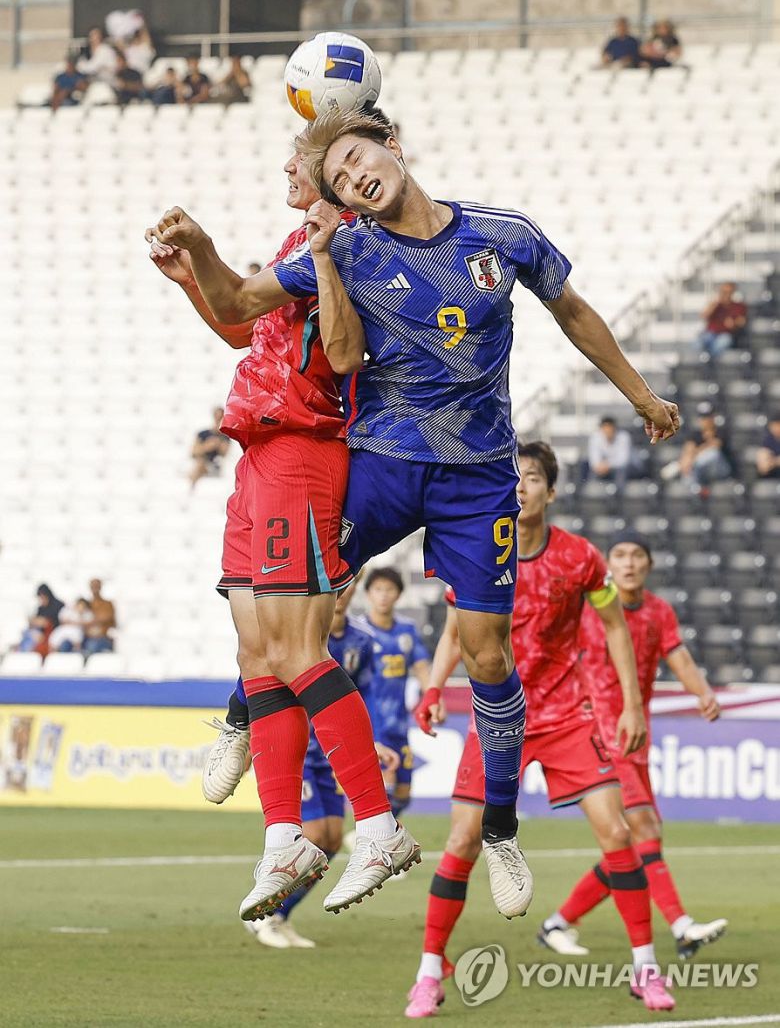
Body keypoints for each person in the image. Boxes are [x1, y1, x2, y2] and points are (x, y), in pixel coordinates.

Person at [147, 106, 679, 920]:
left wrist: (641, 396)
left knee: (487, 654)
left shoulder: (502, 235)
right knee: (297, 601)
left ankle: (499, 829)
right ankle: (243, 713)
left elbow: (572, 311)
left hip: (479, 480)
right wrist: (200, 253)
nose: (355, 178)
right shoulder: (348, 247)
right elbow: (242, 302)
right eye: (339, 179)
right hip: (382, 464)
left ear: (391, 147)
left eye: (359, 159)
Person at [146, 138, 419, 925]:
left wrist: (205, 248)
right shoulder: (298, 243)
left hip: (302, 450)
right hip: (259, 452)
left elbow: (339, 351)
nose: (287, 170)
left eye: (299, 159)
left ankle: (378, 825)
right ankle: (283, 837)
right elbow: (249, 329)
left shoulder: (348, 244)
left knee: (299, 652)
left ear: (331, 172)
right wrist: (194, 282)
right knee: (257, 655)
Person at [408, 442, 674, 1016]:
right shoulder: (476, 548)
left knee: (618, 833)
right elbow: (454, 632)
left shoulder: (581, 558)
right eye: (513, 477)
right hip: (494, 717)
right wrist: (433, 689)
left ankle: (647, 968)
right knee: (462, 841)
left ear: (550, 492)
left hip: (564, 715)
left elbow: (615, 626)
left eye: (531, 478)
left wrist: (631, 705)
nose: (520, 486)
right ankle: (429, 971)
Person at [552, 532, 727, 960]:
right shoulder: (589, 607)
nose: (629, 563)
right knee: (644, 830)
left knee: (631, 844)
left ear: (649, 565)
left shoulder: (659, 611)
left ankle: (558, 923)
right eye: (620, 555)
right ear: (608, 564)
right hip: (598, 737)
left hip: (635, 739)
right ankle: (682, 927)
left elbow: (677, 655)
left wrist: (702, 692)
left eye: (637, 556)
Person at [245, 593, 397, 948]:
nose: (342, 593)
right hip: (300, 750)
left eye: (348, 586)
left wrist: (372, 738)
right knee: (311, 836)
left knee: (331, 840)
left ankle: (279, 915)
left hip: (332, 753)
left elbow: (366, 693)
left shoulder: (361, 640)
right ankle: (264, 914)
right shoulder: (300, 629)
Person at [356, 567, 431, 819]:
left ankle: (376, 832)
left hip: (398, 724)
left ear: (398, 594)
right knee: (382, 786)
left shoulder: (407, 630)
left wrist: (432, 695)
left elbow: (421, 666)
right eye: (378, 589)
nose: (383, 595)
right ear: (368, 594)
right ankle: (372, 834)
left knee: (403, 792)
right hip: (370, 723)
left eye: (389, 589)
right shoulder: (359, 631)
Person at [679, 403, 733, 487]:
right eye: (703, 417)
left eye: (708, 417)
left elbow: (715, 445)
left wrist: (695, 456)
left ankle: (695, 483)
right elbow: (689, 449)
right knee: (687, 468)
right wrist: (687, 460)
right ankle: (693, 488)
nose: (706, 420)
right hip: (701, 470)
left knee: (712, 454)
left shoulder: (720, 431)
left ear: (713, 417)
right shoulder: (696, 434)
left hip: (721, 470)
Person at [585, 415, 645, 488]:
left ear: (614, 428)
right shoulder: (595, 438)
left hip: (631, 467)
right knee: (592, 472)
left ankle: (619, 493)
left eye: (610, 428)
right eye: (605, 428)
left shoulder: (624, 437)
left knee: (620, 472)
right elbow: (594, 461)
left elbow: (623, 461)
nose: (608, 431)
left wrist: (607, 465)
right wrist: (600, 466)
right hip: (607, 469)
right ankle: (591, 492)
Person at [697, 282, 748, 357]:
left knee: (722, 342)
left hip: (726, 334)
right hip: (711, 333)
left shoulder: (739, 306)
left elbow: (742, 321)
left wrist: (734, 323)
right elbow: (704, 316)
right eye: (723, 292)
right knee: (699, 342)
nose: (725, 294)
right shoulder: (715, 305)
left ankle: (710, 360)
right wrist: (715, 305)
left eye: (728, 292)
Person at [190, 406, 231, 487]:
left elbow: (224, 454)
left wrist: (218, 443)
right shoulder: (202, 434)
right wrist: (206, 446)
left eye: (220, 417)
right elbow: (193, 452)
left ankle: (192, 486)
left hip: (214, 465)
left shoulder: (225, 436)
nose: (218, 420)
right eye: (217, 417)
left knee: (199, 465)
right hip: (201, 463)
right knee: (200, 463)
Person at [17, 584, 64, 654]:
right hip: (41, 634)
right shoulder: (41, 608)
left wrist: (41, 622)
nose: (41, 599)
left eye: (43, 597)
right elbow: (35, 621)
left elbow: (49, 622)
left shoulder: (58, 605)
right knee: (28, 633)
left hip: (54, 634)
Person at [83, 578, 116, 655]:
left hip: (103, 638)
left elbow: (109, 619)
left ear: (100, 587)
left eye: (97, 586)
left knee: (92, 646)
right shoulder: (87, 604)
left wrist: (92, 621)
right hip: (88, 637)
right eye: (93, 586)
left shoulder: (108, 604)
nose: (95, 588)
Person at [756, 412, 780, 478]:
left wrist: (775, 462)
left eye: (778, 425)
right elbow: (763, 468)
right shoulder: (768, 439)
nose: (776, 428)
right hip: (773, 475)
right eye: (774, 425)